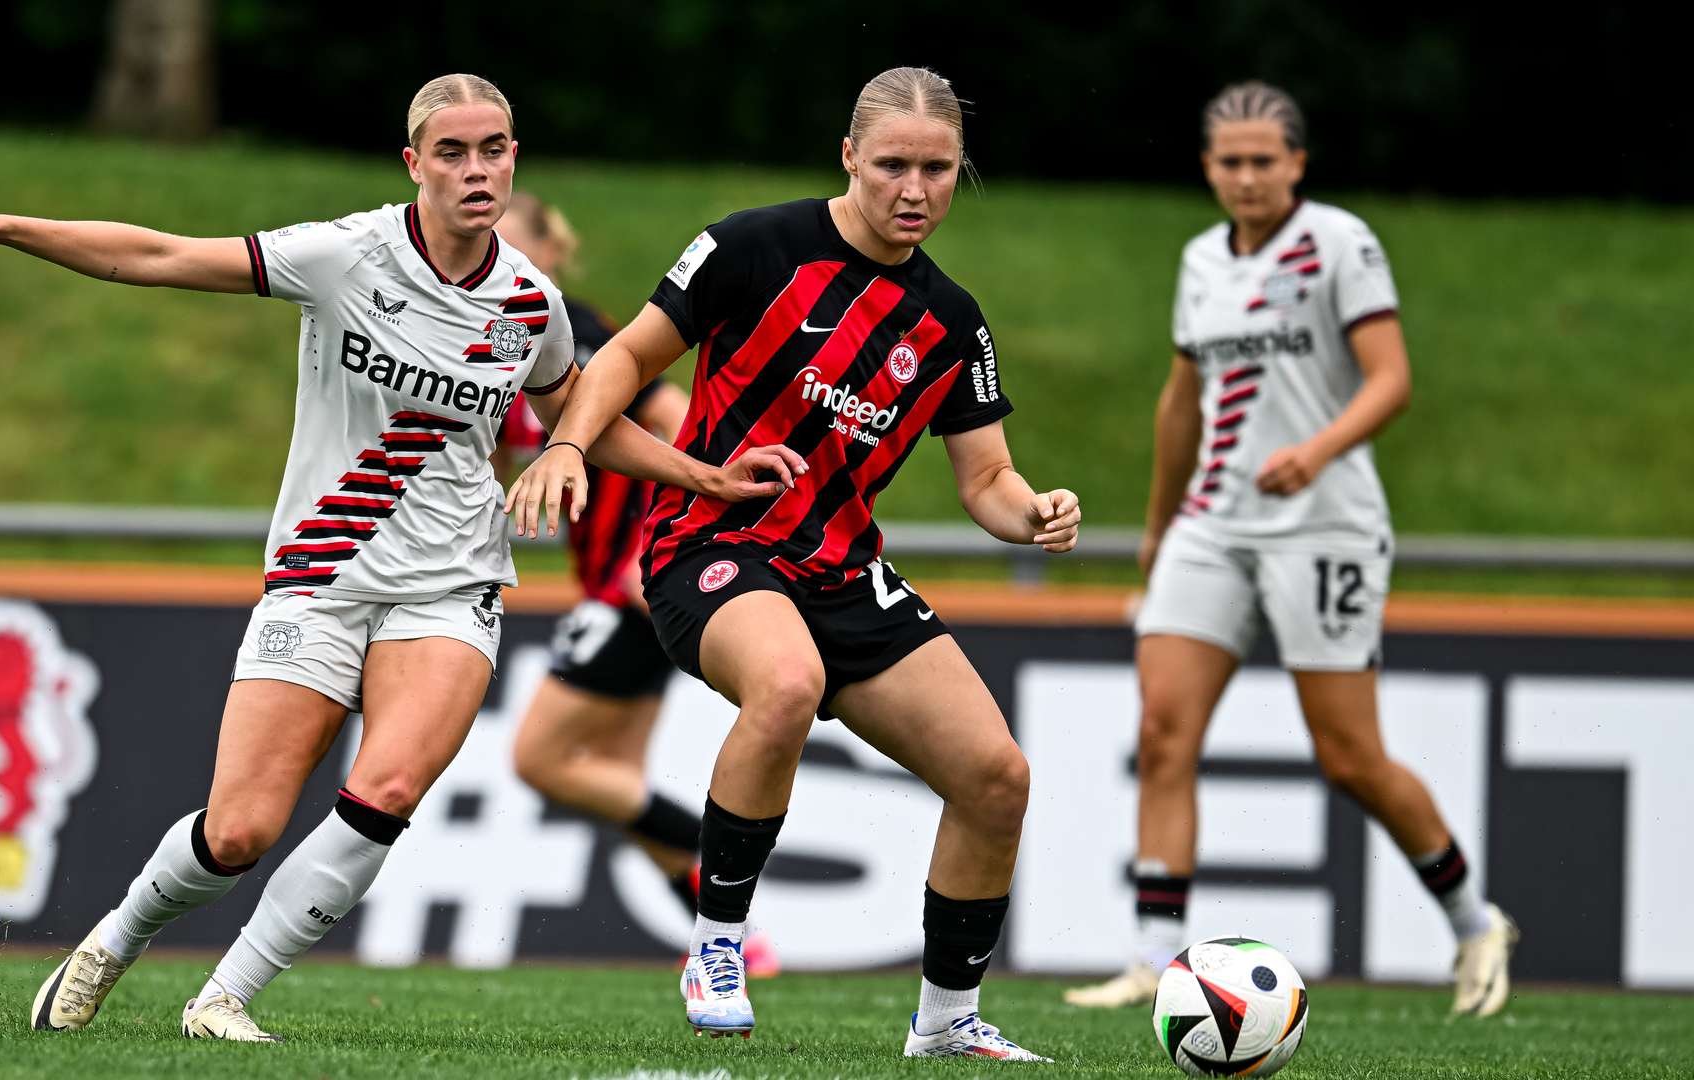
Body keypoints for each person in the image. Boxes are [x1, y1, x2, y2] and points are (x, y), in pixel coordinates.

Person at [0, 73, 799, 1043]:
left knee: (389, 790)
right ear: (414, 165)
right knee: (238, 831)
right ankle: (116, 938)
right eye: (452, 152)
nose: (476, 169)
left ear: (514, 159)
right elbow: (157, 254)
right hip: (321, 575)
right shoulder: (344, 255)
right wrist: (2, 226)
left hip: (453, 582)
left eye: (493, 149)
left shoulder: (532, 305)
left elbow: (582, 413)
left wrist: (702, 478)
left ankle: (225, 998)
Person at [505, 67, 1082, 1060]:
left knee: (996, 778)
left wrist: (1032, 512)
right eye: (893, 164)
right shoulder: (748, 245)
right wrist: (566, 444)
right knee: (785, 683)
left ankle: (946, 1024)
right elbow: (626, 360)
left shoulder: (953, 323)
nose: (915, 188)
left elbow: (985, 477)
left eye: (937, 169)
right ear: (850, 157)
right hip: (711, 546)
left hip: (842, 572)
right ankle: (717, 945)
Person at [1062, 80, 1518, 1016]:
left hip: (1325, 523)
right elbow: (1182, 400)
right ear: (1208, 169)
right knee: (1162, 733)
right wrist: (1158, 524)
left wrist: (1312, 453)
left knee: (1349, 756)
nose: (1247, 177)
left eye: (1264, 160)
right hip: (1212, 525)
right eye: (1229, 162)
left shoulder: (1339, 243)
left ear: (1297, 165)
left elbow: (1391, 380)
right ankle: (1154, 958)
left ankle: (1475, 920)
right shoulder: (1199, 260)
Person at [496, 193, 781, 975]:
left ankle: (720, 851)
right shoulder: (492, 332)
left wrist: (660, 536)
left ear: (550, 256)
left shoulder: (568, 326)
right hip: (632, 582)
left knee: (541, 761)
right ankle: (731, 937)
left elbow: (673, 409)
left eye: (515, 247)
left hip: (637, 581)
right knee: (612, 779)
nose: (500, 259)